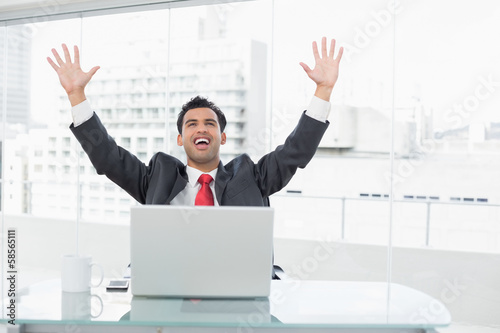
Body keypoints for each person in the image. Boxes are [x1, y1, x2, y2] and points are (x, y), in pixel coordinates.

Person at [47, 38, 342, 278]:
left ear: (222, 137)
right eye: (192, 124)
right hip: (169, 285)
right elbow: (108, 157)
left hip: (238, 290)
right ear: (181, 139)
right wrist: (77, 96)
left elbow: (295, 152)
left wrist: (323, 91)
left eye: (210, 124)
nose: (201, 128)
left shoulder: (251, 175)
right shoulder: (156, 176)